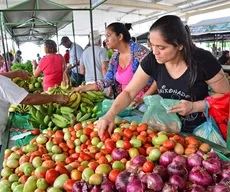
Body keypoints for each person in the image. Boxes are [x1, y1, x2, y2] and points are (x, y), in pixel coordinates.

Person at [96, 15, 230, 138]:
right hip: (168, 131)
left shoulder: (203, 60)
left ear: (180, 45)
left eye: (161, 47)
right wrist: (110, 114)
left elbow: (226, 94)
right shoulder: (153, 59)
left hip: (200, 132)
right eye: (152, 45)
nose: (155, 52)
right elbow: (129, 92)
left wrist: (194, 106)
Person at [72, 22, 157, 110]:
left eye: (108, 36)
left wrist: (142, 99)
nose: (106, 40)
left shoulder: (141, 53)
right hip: (125, 102)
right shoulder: (115, 57)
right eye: (105, 37)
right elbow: (108, 80)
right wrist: (83, 88)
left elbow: (157, 79)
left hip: (145, 103)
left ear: (120, 37)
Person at [0, 69, 69, 148]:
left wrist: (16, 73)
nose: (1, 59)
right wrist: (55, 97)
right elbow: (27, 99)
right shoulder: (3, 83)